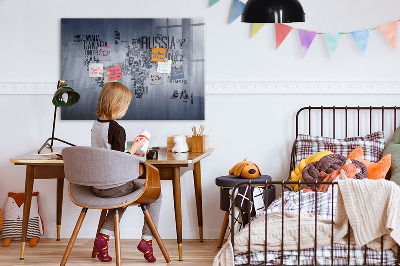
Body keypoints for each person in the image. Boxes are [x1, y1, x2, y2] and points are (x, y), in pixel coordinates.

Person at [91, 82, 161, 263]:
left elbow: (108, 154)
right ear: (117, 105)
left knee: (121, 197)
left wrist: (130, 150)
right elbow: (118, 161)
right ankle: (147, 240)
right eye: (126, 105)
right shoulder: (117, 129)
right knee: (156, 194)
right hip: (114, 186)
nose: (126, 110)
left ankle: (103, 238)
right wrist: (136, 148)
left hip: (97, 186)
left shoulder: (96, 125)